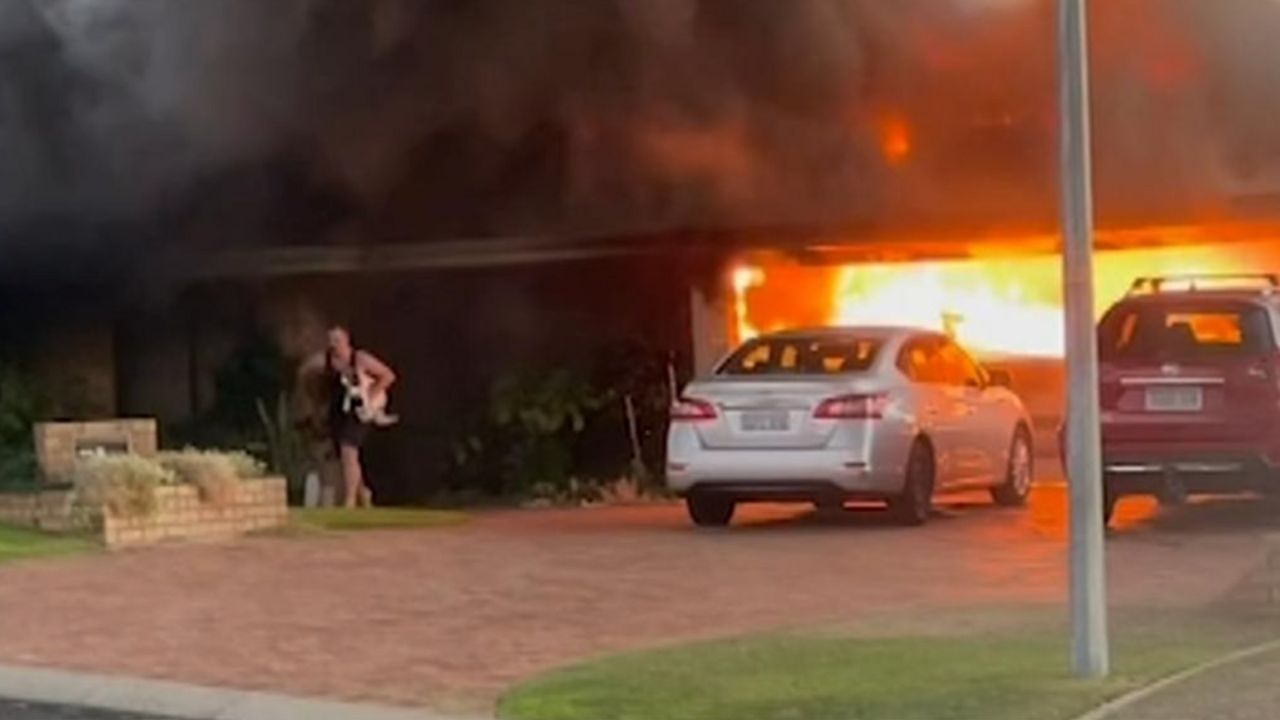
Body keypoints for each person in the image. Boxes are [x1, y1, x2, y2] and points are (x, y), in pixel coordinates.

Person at [298, 325, 397, 508]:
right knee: (345, 455)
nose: (333, 345)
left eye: (337, 340)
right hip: (340, 410)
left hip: (360, 410)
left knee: (348, 450)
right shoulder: (328, 362)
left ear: (346, 341)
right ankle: (363, 493)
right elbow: (321, 387)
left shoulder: (360, 358)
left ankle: (350, 499)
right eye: (331, 341)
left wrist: (370, 394)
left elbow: (388, 376)